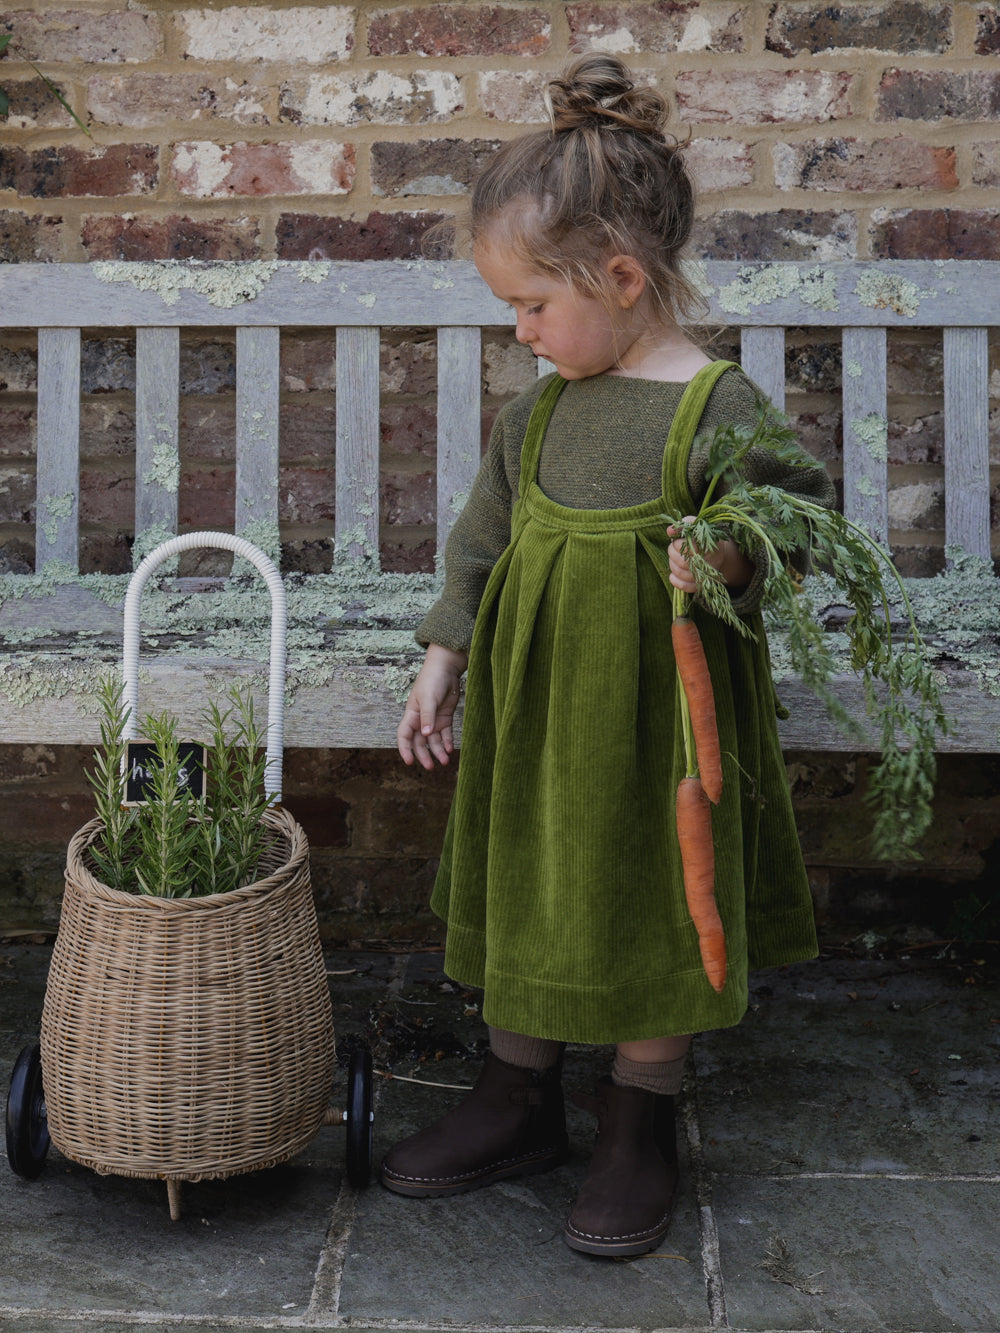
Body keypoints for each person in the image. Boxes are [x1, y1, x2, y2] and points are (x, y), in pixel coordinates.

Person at [380, 53, 835, 1258]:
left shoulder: (711, 407)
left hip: (663, 730)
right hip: (537, 717)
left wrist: (731, 557)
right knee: (536, 875)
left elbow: (792, 521)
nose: (522, 333)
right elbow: (484, 540)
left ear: (621, 277)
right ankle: (514, 1090)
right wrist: (443, 655)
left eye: (532, 307)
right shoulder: (538, 413)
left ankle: (640, 1115)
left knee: (649, 890)